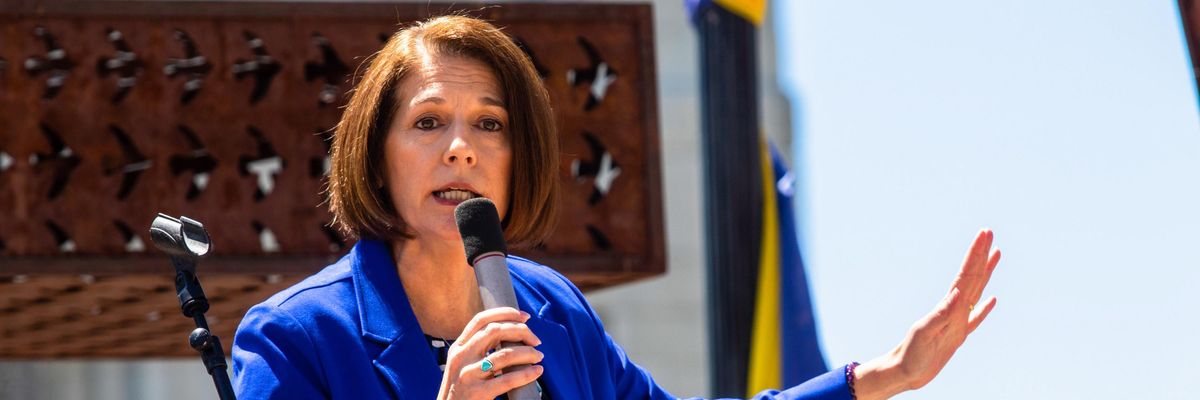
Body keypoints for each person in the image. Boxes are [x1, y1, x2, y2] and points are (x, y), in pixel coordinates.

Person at [231, 15, 1001, 400]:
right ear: (376, 153)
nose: (460, 148)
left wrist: (880, 376)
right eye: (429, 122)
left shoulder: (552, 311)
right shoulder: (294, 339)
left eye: (489, 125)